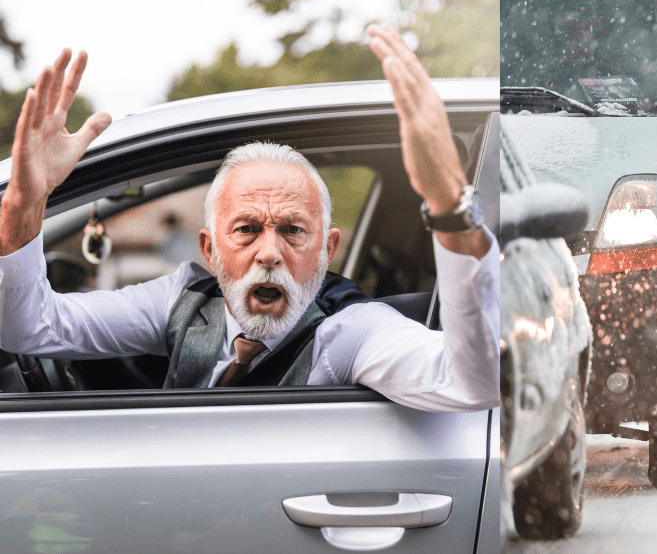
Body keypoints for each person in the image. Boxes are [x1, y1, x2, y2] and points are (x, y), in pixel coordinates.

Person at [0, 24, 499, 413]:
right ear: (209, 249)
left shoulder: (351, 331)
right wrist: (23, 204)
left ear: (328, 250)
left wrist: (449, 204)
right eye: (246, 229)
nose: (269, 253)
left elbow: (471, 383)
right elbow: (32, 328)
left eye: (293, 230)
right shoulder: (180, 301)